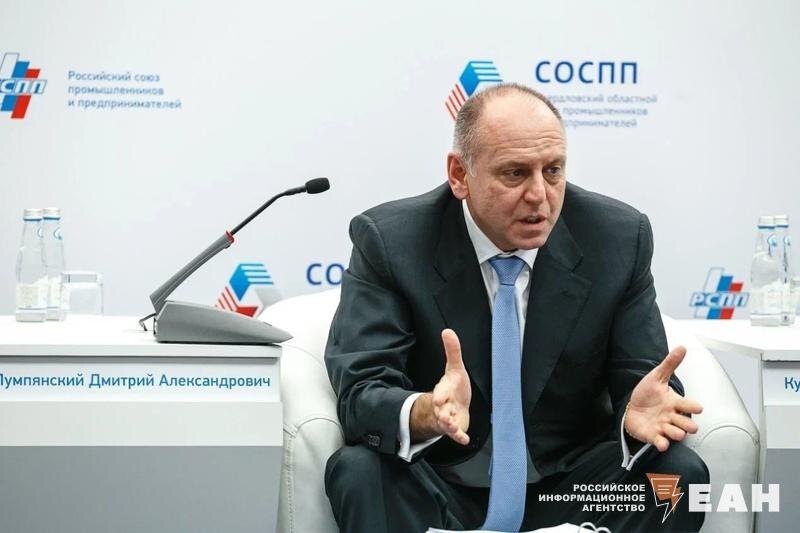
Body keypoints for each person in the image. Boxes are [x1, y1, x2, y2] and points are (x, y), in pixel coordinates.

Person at [324, 82, 708, 532]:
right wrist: (427, 411)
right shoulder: (391, 242)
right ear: (459, 174)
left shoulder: (618, 239)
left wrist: (634, 416)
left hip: (569, 486)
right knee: (359, 470)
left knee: (676, 475)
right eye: (514, 173)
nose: (539, 195)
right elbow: (363, 389)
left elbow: (643, 379)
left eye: (553, 170)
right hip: (441, 481)